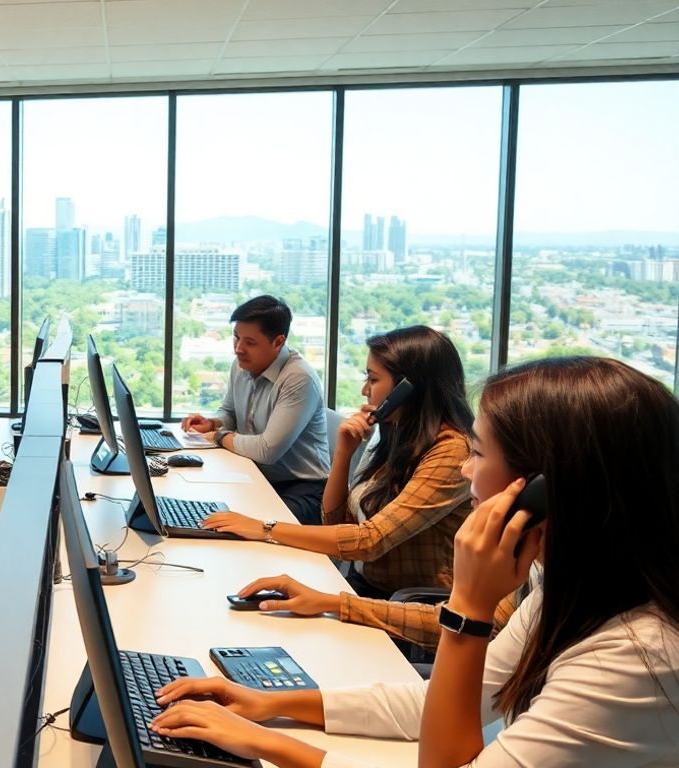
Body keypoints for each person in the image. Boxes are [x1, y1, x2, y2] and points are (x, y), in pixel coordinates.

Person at [151, 357, 679, 767]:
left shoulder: (638, 657)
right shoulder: (565, 585)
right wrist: (271, 704)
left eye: (479, 452)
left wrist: (469, 610)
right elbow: (438, 705)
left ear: (540, 490)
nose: (467, 470)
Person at [202, 326, 474, 598]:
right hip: (362, 585)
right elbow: (334, 520)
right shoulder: (401, 434)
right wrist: (343, 453)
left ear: (408, 389)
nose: (365, 390)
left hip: (403, 601)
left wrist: (265, 529)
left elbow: (370, 541)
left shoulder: (450, 452)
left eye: (373, 380)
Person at [181, 295, 329, 524]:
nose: (239, 349)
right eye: (236, 338)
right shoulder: (241, 364)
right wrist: (214, 423)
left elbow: (266, 450)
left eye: (250, 342)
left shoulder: (298, 378)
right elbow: (229, 412)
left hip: (303, 489)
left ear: (278, 342)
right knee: (202, 509)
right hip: (255, 475)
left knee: (233, 527)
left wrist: (219, 436)